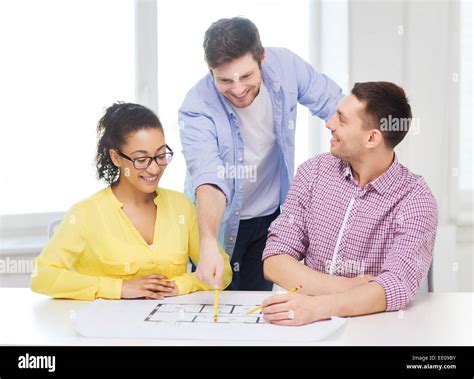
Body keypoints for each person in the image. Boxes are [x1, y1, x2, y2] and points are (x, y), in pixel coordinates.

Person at [179, 17, 343, 290]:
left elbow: (336, 107)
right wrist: (207, 242)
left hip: (269, 218)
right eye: (224, 80)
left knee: (256, 310)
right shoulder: (196, 107)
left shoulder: (287, 67)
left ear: (262, 58)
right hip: (217, 224)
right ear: (210, 71)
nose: (238, 88)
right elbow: (209, 178)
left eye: (246, 76)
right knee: (216, 313)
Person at [261, 82, 438, 325]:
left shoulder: (415, 199)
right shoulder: (313, 173)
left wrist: (317, 307)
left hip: (376, 327)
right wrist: (348, 288)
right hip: (307, 323)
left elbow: (396, 285)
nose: (329, 123)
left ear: (372, 138)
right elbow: (275, 260)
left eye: (342, 120)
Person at [31, 102, 232, 300]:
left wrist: (179, 285)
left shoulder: (180, 206)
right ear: (116, 158)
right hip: (107, 329)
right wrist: (119, 288)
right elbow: (43, 277)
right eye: (141, 159)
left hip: (167, 324)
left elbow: (222, 272)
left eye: (161, 155)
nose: (154, 169)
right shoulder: (85, 214)